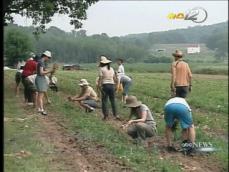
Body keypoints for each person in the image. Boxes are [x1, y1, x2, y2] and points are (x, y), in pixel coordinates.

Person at [98, 56, 120, 120]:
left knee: (104, 101)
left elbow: (101, 78)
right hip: (112, 85)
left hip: (105, 85)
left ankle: (106, 116)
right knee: (113, 100)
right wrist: (116, 86)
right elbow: (115, 78)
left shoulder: (101, 69)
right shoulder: (111, 69)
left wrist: (99, 86)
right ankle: (116, 115)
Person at [35, 50, 54, 115]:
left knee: (39, 95)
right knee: (41, 95)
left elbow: (43, 70)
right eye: (48, 58)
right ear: (45, 56)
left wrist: (50, 71)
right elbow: (41, 72)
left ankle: (39, 109)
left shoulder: (40, 61)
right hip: (40, 78)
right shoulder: (41, 62)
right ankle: (42, 110)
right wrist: (50, 71)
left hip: (39, 78)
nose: (48, 59)